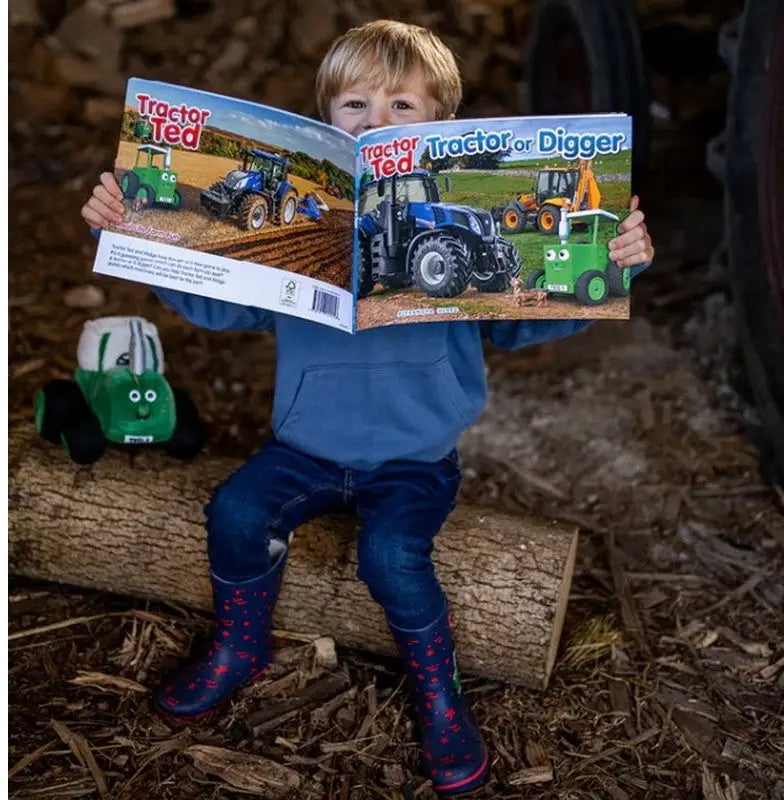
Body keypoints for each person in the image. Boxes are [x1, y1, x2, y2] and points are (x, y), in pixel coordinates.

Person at [81, 20, 654, 796]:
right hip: (307, 446)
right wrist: (137, 236)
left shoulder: (450, 222)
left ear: (440, 126)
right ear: (326, 122)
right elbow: (221, 309)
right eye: (354, 103)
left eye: (401, 105)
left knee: (391, 558)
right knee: (237, 512)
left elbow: (524, 320)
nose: (375, 119)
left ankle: (437, 692)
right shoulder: (311, 229)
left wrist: (615, 268)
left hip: (413, 461)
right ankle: (240, 645)